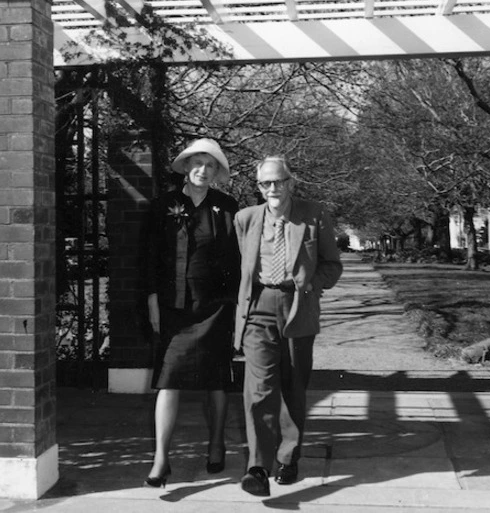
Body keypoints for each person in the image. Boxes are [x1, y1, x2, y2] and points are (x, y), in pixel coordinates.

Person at [233, 156, 342, 496]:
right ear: (259, 187)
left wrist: (309, 284)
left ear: (291, 182)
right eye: (265, 183)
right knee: (260, 387)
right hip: (259, 308)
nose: (272, 189)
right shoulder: (246, 219)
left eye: (278, 181)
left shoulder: (314, 215)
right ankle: (258, 468)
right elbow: (245, 267)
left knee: (294, 385)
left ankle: (288, 456)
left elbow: (332, 266)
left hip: (298, 306)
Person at [143, 138, 240, 488]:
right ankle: (160, 460)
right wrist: (153, 299)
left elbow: (236, 261)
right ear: (185, 167)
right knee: (167, 380)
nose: (202, 169)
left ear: (216, 171)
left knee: (216, 380)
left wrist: (234, 305)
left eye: (209, 164)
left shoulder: (227, 207)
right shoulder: (163, 205)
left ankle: (216, 445)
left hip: (215, 308)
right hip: (174, 307)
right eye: (196, 163)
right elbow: (150, 256)